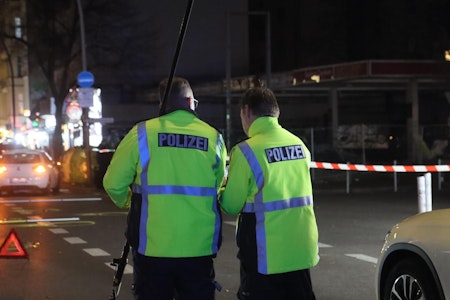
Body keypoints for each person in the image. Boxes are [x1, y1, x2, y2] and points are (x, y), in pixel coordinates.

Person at [103, 76, 227, 300]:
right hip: (199, 248)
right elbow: (217, 185)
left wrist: (131, 201)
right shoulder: (214, 138)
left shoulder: (141, 134)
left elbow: (112, 183)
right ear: (190, 102)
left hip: (152, 248)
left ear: (162, 104)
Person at [219, 87, 319, 300]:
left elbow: (231, 205)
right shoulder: (300, 146)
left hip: (264, 256)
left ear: (246, 111)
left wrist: (220, 190)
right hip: (300, 252)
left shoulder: (246, 151)